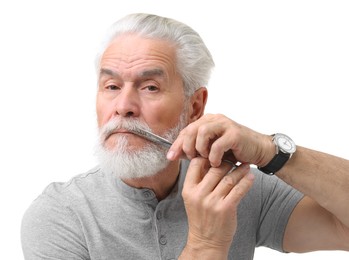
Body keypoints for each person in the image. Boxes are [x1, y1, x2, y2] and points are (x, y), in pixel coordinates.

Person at [21, 13, 349, 259]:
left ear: (194, 107)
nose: (123, 106)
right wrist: (206, 244)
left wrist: (269, 151)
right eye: (111, 86)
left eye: (150, 87)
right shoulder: (59, 215)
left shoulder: (233, 189)